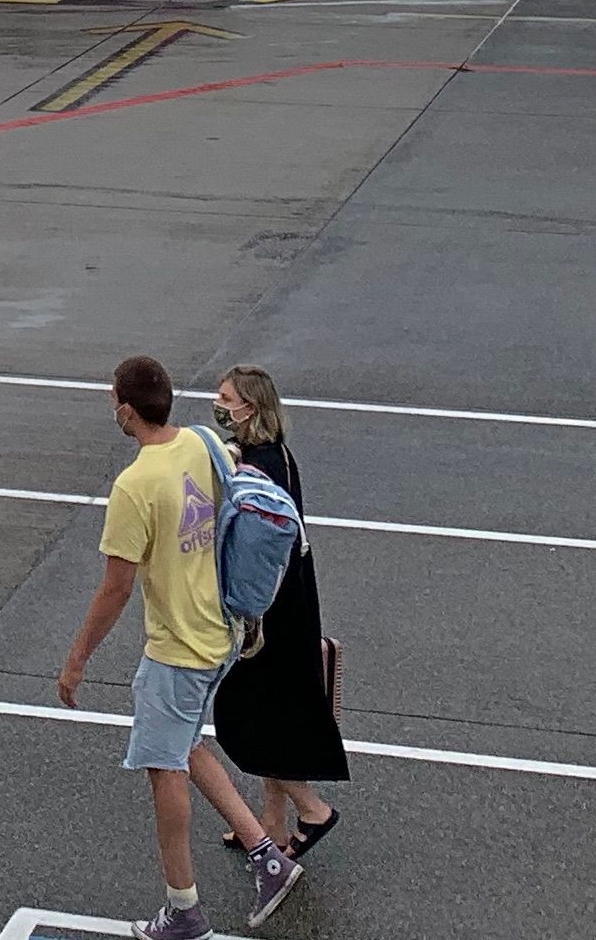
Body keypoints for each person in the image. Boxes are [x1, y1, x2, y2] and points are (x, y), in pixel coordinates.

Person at [58, 354, 303, 936]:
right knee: (187, 744)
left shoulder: (135, 484)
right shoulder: (199, 443)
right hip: (220, 632)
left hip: (178, 649)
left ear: (125, 410)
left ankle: (183, 909)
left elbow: (115, 587)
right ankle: (267, 856)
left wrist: (75, 661)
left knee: (163, 767)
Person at [205, 367, 347, 859]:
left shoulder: (255, 468)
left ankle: (313, 810)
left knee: (245, 718)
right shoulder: (277, 455)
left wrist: (239, 614)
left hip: (270, 615)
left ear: (250, 407)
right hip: (294, 601)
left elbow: (252, 558)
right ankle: (272, 824)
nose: (218, 403)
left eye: (226, 397)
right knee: (277, 714)